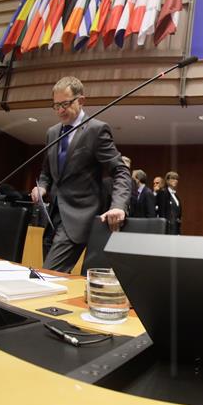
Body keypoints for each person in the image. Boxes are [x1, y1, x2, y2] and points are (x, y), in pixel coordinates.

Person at [30, 76, 132, 273]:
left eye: (65, 104)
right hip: (53, 218)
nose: (60, 110)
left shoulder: (96, 130)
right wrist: (42, 186)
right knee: (54, 278)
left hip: (79, 218)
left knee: (47, 275)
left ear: (81, 100)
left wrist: (118, 206)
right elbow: (47, 171)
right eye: (56, 105)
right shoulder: (52, 132)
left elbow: (120, 171)